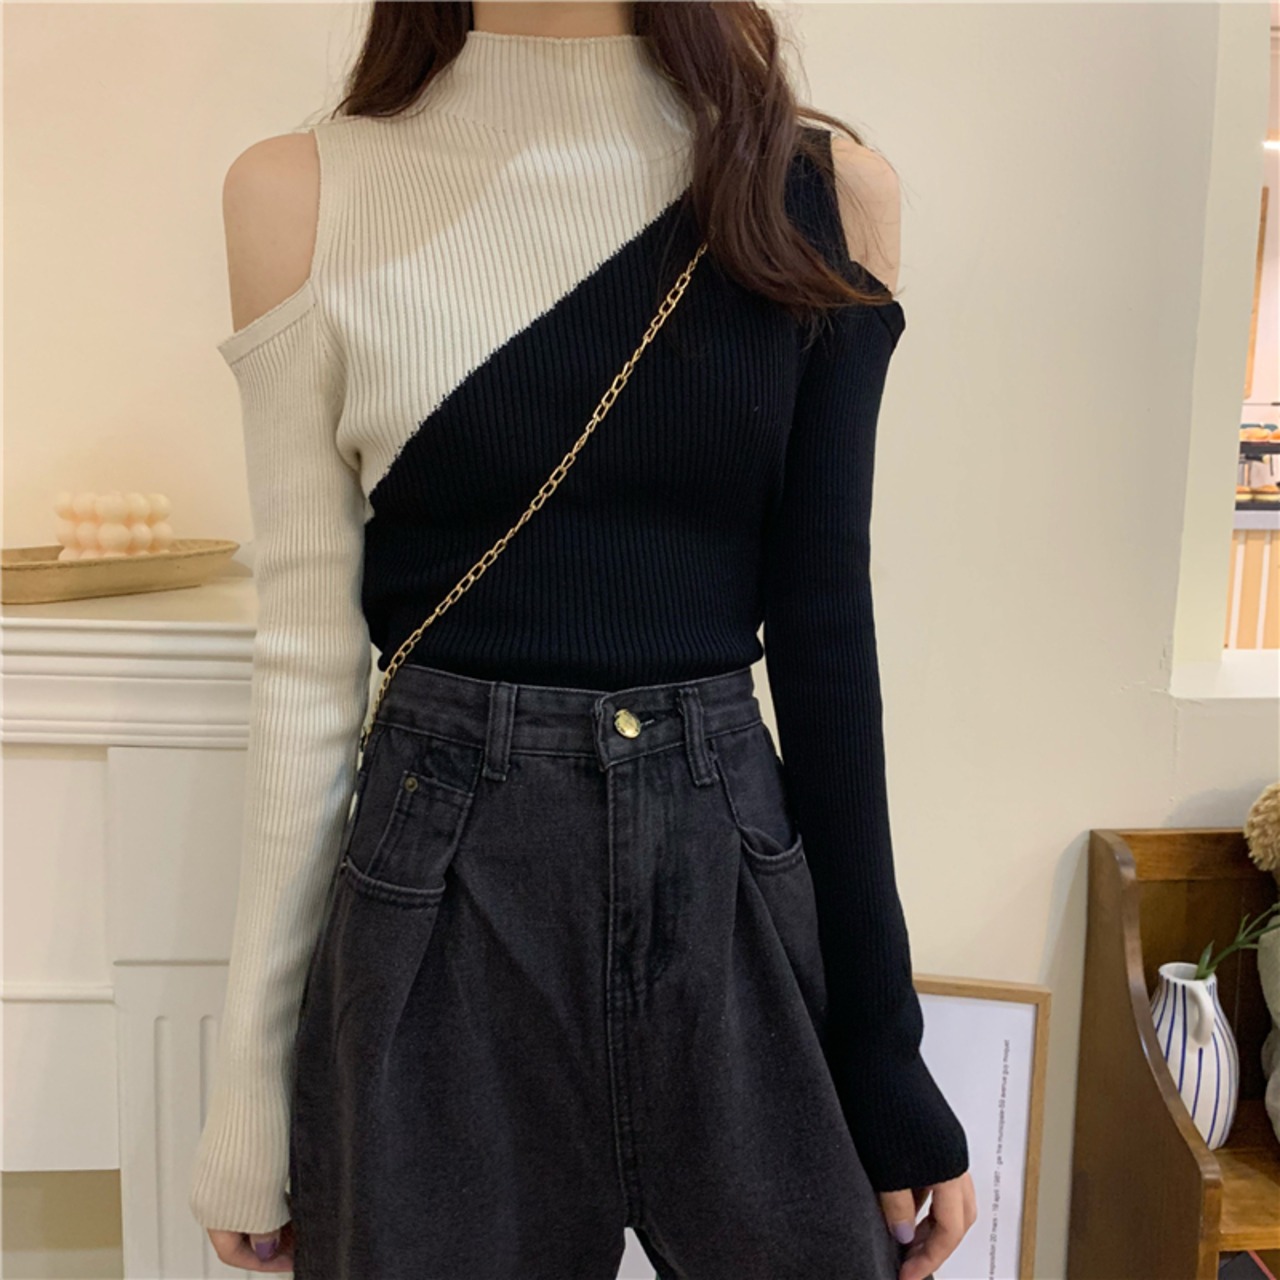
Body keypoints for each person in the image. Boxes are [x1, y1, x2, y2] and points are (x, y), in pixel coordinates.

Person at [190, 2, 977, 1277]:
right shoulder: (299, 195)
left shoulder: (819, 195)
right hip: (438, 893)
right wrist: (248, 1089)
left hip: (727, 868)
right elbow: (304, 672)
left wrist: (885, 1056)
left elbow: (827, 640)